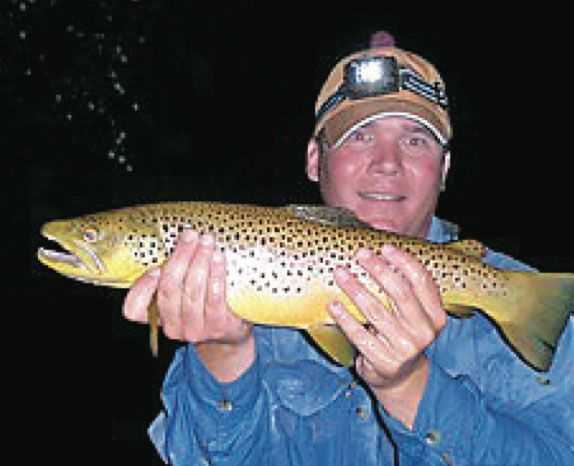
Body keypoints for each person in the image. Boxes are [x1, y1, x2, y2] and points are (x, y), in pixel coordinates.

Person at [123, 32, 574, 465]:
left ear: (445, 169)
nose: (387, 164)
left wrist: (412, 388)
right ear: (315, 160)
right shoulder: (236, 295)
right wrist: (222, 355)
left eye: (415, 141)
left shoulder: (526, 299)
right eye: (360, 136)